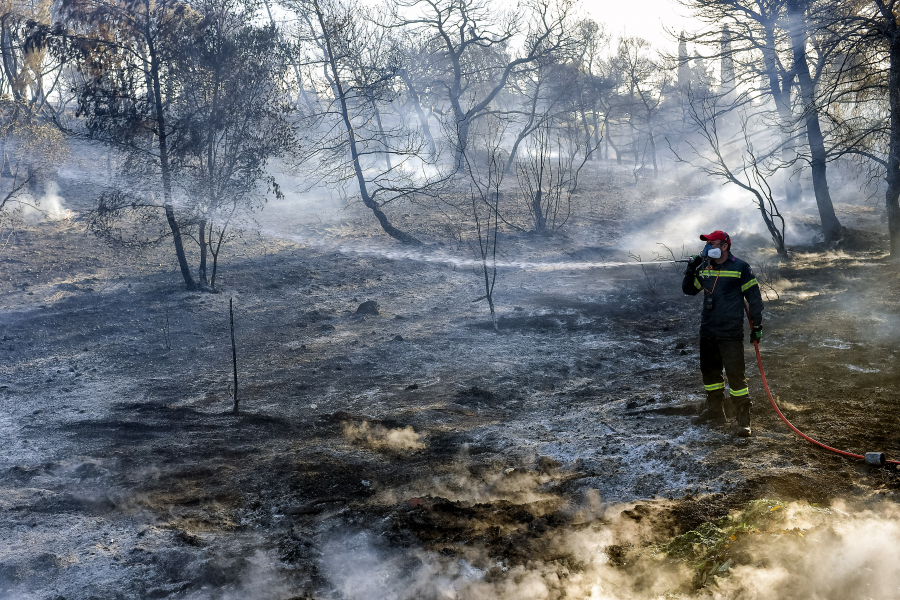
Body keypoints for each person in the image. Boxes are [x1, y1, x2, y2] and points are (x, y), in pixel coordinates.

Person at [682, 231, 764, 437]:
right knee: (710, 374)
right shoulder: (706, 268)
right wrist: (691, 268)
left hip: (730, 331)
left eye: (712, 243)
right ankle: (715, 411)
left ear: (725, 246)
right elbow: (689, 290)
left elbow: (754, 299)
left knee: (736, 376)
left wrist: (757, 326)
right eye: (707, 244)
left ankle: (743, 420)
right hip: (708, 329)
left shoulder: (741, 268)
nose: (708, 247)